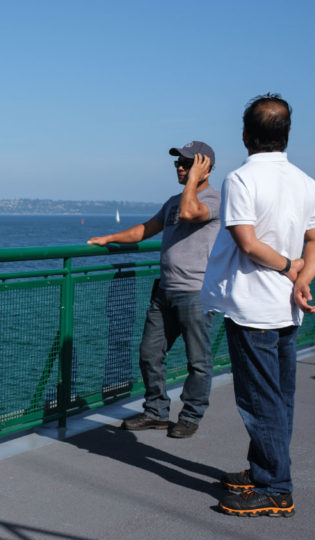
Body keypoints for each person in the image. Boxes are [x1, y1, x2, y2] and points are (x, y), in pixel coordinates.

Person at [201, 93, 315, 517]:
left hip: (254, 306)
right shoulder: (305, 182)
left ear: (245, 135)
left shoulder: (241, 180)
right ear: (287, 134)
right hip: (284, 309)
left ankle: (276, 487)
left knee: (261, 400)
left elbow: (248, 242)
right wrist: (302, 277)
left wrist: (289, 268)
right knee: (279, 397)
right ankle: (265, 469)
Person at [88, 141, 221, 438]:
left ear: (205, 167)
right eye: (178, 163)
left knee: (197, 360)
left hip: (195, 293)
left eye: (187, 163)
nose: (180, 167)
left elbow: (190, 213)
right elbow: (146, 229)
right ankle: (156, 412)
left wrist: (193, 182)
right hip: (165, 290)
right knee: (149, 352)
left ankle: (191, 415)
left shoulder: (215, 199)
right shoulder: (174, 200)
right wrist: (107, 238)